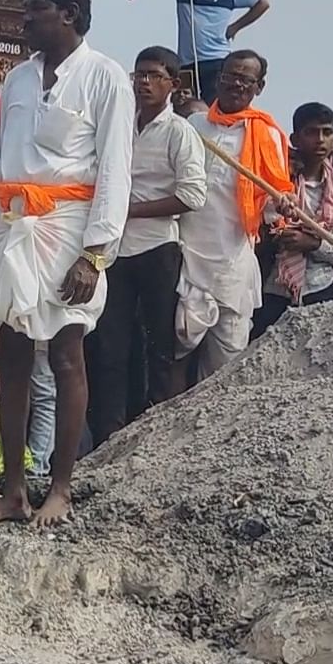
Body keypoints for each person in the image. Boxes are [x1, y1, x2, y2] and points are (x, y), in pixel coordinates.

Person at [0, 0, 131, 527]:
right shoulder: (15, 78)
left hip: (69, 231)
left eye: (35, 10)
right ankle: (11, 491)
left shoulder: (107, 77)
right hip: (11, 227)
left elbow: (115, 171)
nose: (24, 20)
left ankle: (60, 487)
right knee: (9, 357)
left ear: (70, 15)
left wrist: (95, 254)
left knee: (65, 355)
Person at [86, 45, 205, 445]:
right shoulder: (118, 123)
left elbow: (192, 196)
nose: (144, 82)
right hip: (115, 248)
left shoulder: (179, 132)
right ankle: (108, 436)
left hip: (157, 248)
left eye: (155, 75)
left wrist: (127, 210)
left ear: (174, 83)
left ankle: (155, 439)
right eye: (139, 74)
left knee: (160, 346)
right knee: (110, 346)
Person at [176, 50, 293, 380]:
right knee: (174, 355)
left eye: (246, 79)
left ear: (260, 87)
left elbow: (273, 200)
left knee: (224, 364)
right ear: (218, 78)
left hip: (230, 262)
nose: (236, 84)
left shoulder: (266, 134)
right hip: (186, 254)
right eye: (231, 76)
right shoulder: (193, 126)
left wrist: (282, 204)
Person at [253, 103, 333, 334]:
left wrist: (312, 243)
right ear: (295, 138)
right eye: (311, 132)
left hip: (319, 287)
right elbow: (264, 222)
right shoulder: (277, 180)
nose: (320, 140)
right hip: (275, 288)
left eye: (327, 132)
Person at [145, 0, 270, 104]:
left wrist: (235, 27)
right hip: (187, 64)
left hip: (217, 62)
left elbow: (262, 3)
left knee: (214, 109)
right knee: (185, 109)